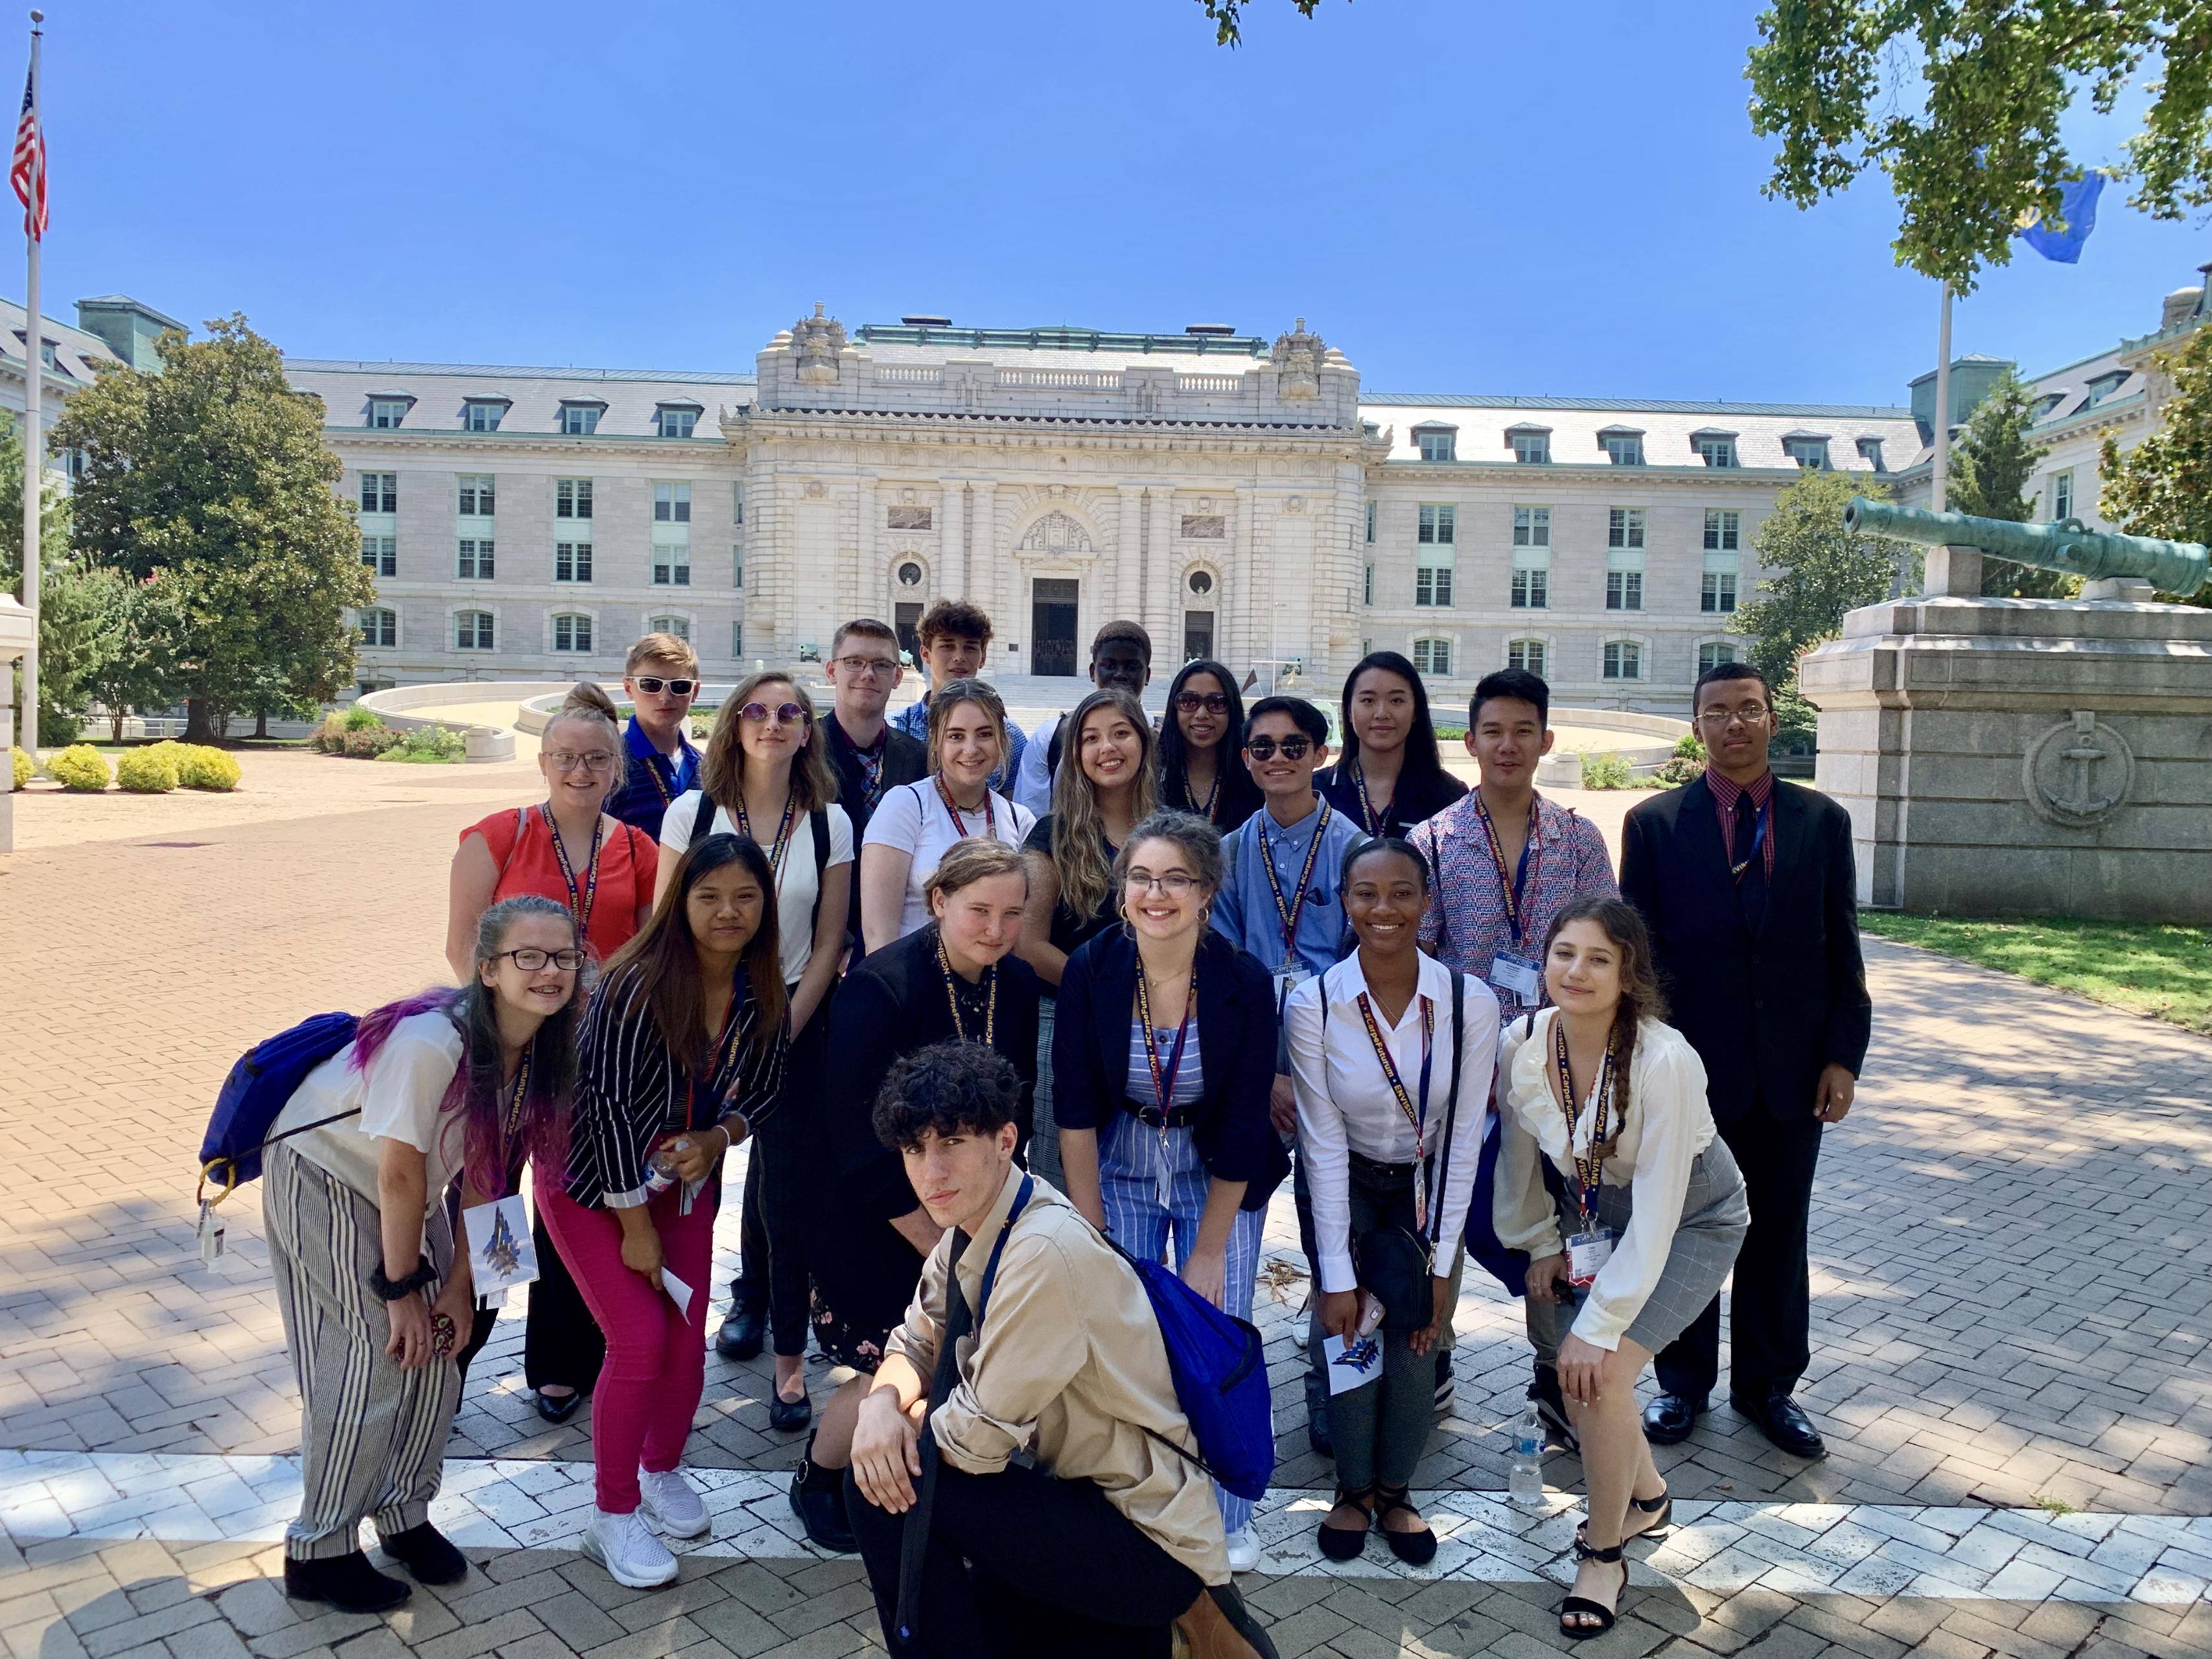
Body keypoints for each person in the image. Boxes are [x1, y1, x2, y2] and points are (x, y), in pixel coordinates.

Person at [843, 1041, 1279, 1659]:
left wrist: (895, 1428)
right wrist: (879, 1405)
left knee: (881, 1487)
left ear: (1004, 1140)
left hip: (1141, 1537)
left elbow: (972, 1446)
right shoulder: (979, 1224)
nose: (930, 1172)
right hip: (1083, 1500)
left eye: (952, 1143)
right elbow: (914, 1342)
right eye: (915, 1150)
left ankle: (1178, 1614)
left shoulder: (1042, 1250)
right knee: (894, 1470)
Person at [264, 896, 582, 1614]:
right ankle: (319, 1548)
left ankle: (404, 1513)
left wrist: (464, 1291)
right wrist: (402, 1288)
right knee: (379, 1353)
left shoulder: (541, 1049)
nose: (548, 971)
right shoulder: (431, 1042)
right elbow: (400, 1174)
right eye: (526, 956)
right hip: (325, 1173)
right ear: (488, 969)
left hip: (407, 1190)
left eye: (563, 955)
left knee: (444, 1347)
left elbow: (490, 1177)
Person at [1620, 662, 1870, 1462]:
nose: (1735, 724)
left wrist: (1840, 1056)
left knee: (1776, 1232)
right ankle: (1679, 1383)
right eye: (1718, 712)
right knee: (1683, 1225)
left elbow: (1842, 951)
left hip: (1792, 1071)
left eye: (1750, 710)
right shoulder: (1654, 824)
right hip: (1688, 1072)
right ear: (1697, 726)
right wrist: (1642, 1066)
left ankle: (1769, 1388)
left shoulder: (1821, 822)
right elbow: (1641, 959)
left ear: (1771, 718)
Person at [1493, 898, 1749, 1639]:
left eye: (1598, 958)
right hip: (1590, 1211)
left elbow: (1663, 1202)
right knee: (1583, 1380)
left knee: (1597, 1374)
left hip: (1691, 1214)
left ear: (1627, 974)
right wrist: (1538, 1240)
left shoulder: (1664, 1059)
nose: (1575, 971)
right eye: (1563, 952)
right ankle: (1644, 1499)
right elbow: (1517, 1157)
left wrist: (1601, 1325)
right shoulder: (1523, 1039)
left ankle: (1602, 1553)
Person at [546, 835, 789, 1589]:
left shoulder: (760, 986)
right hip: (593, 1185)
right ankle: (611, 1515)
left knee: (687, 1346)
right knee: (641, 1338)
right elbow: (609, 1111)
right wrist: (637, 1230)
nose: (727, 911)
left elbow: (768, 1089)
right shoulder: (636, 983)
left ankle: (661, 1469)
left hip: (682, 1181)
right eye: (709, 894)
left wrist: (720, 1137)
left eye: (744, 896)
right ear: (679, 900)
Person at [791, 839, 1042, 1553]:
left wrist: (988, 1220)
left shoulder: (1014, 983)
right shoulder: (883, 985)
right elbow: (855, 1137)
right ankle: (819, 1473)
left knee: (952, 1358)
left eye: (1011, 914)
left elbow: (1005, 1114)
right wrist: (942, 1245)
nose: (993, 929)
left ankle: (901, 1477)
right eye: (977, 911)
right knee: (889, 1361)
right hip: (868, 1208)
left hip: (956, 1203)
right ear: (938, 902)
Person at [1056, 810, 1287, 1575]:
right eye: (1142, 878)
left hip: (1212, 1164)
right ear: (1122, 892)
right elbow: (1075, 1109)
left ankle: (1229, 1507)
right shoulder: (1092, 968)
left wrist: (1210, 1248)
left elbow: (1249, 1119)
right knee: (1120, 1334)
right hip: (1118, 1154)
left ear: (1205, 893)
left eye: (1175, 879)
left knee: (1217, 1327)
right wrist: (1088, 1235)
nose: (1157, 894)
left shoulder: (1243, 982)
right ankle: (1127, 1495)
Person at [1408, 667, 1616, 1442]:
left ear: (1545, 741)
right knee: (1446, 1217)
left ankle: (1555, 1367)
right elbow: (1416, 960)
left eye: (1522, 730)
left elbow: (1607, 949)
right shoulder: (1430, 841)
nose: (1506, 745)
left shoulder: (1580, 839)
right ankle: (1431, 1354)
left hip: (1564, 1070)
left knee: (1562, 1222)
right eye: (1491, 730)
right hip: (1460, 1072)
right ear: (1468, 742)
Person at [445, 682, 656, 1421]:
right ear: (543, 761)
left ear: (614, 768)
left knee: (568, 1206)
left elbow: (651, 955)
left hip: (589, 1061)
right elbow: (462, 947)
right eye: (566, 756)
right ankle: (457, 1349)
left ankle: (559, 1362)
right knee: (491, 1201)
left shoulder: (638, 849)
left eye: (596, 759)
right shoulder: (497, 836)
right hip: (506, 1054)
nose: (580, 770)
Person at [1287, 840, 1498, 1564]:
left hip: (1423, 1180)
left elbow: (1464, 1133)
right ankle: (1351, 1489)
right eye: (1366, 894)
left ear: (1425, 900)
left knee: (1417, 1330)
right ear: (1344, 902)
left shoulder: (1470, 1002)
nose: (1384, 909)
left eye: (1402, 893)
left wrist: (1441, 1261)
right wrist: (1337, 1275)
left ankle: (1395, 1488)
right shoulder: (1312, 1001)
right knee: (1345, 1329)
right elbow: (1316, 1141)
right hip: (1341, 1177)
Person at [662, 671, 853, 1429]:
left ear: (808, 729)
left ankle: (784, 1354)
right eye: (757, 711)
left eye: (789, 713)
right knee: (685, 1175)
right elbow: (665, 927)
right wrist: (706, 1029)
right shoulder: (691, 812)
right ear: (734, 724)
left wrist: (781, 1029)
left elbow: (833, 937)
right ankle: (668, 1337)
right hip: (700, 1022)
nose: (772, 723)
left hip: (795, 1018)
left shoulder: (830, 822)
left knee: (787, 1186)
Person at [1209, 695, 1366, 1454]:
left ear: (1321, 754)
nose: (1277, 759)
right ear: (1245, 759)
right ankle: (1222, 1392)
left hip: (1335, 1067)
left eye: (1293, 746)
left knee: (1335, 1240)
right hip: (1253, 1072)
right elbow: (1227, 970)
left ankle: (1337, 1401)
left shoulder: (1354, 848)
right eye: (1262, 748)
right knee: (1230, 1236)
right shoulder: (1229, 850)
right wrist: (1265, 1074)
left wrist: (1303, 1068)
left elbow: (1367, 963)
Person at [1015, 687, 1158, 1189]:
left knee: (1142, 1176)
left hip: (1158, 1024)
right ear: (1075, 755)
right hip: (1068, 1017)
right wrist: (1108, 992)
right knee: (1062, 1183)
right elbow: (1028, 946)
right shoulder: (1051, 834)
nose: (1107, 748)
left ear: (1144, 742)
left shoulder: (1171, 834)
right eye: (1091, 738)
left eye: (1120, 733)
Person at [861, 677, 1036, 953]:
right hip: (913, 983)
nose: (971, 749)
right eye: (956, 736)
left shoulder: (1020, 820)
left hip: (992, 986)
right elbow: (878, 935)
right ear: (936, 741)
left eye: (985, 734)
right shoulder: (905, 806)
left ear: (1002, 739)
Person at [821, 618, 930, 954]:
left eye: (882, 665)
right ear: (831, 671)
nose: (868, 674)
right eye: (854, 662)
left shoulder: (920, 758)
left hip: (899, 943)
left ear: (898, 677)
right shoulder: (801, 752)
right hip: (817, 945)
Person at [1316, 651, 1467, 839]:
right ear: (1349, 711)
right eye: (1368, 701)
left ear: (1416, 711)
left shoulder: (1449, 795)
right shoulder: (1315, 792)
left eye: (1396, 700)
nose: (1381, 713)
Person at [1010, 620, 1154, 817]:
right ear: (1092, 672)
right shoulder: (1050, 738)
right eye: (1110, 665)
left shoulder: (1164, 738)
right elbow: (1030, 818)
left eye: (1131, 667)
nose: (1120, 675)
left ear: (1147, 675)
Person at [891, 599, 1026, 795]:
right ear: (925, 654)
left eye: (970, 647)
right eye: (947, 646)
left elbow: (1013, 808)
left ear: (984, 657)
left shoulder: (1010, 736)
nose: (959, 657)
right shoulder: (896, 729)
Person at [605, 632, 704, 839]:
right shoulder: (608, 765)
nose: (665, 698)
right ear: (628, 688)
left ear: (695, 692)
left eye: (679, 686)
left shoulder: (709, 767)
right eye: (651, 684)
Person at [1157, 658, 1261, 836]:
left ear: (1232, 710)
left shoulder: (1255, 778)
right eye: (1189, 701)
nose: (1202, 714)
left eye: (1217, 703)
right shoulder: (1153, 777)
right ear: (1174, 709)